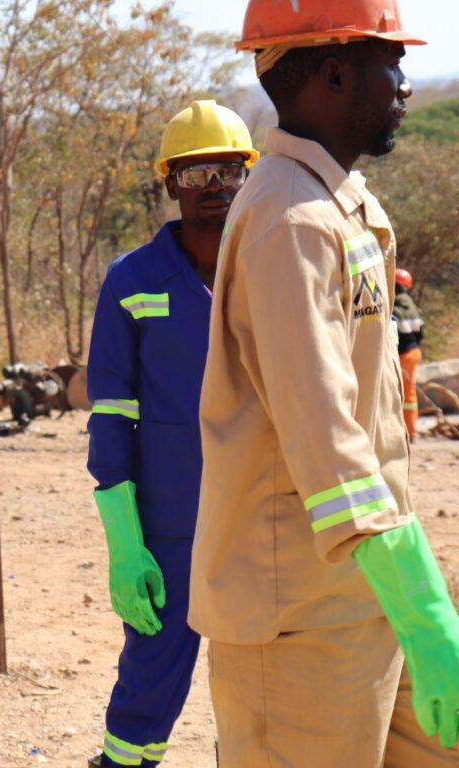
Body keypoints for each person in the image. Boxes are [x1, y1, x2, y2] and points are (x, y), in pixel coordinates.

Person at [191, 1, 459, 765]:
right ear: (336, 71)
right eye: (391, 61)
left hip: (369, 592)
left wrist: (414, 596)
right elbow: (325, 434)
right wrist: (422, 601)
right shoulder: (289, 218)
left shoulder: (339, 207)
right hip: (300, 614)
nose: (404, 83)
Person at [85, 100, 257, 767]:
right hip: (169, 523)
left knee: (258, 674)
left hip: (258, 510)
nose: (214, 185)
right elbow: (111, 411)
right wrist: (124, 539)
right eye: (195, 172)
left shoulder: (271, 270)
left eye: (229, 170)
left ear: (248, 176)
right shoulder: (131, 280)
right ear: (169, 184)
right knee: (152, 671)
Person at [393, 267, 424, 439]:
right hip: (413, 353)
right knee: (409, 394)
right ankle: (411, 433)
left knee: (392, 393)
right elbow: (421, 334)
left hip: (399, 354)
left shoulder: (390, 305)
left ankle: (396, 433)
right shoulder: (412, 307)